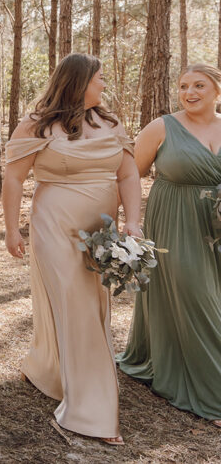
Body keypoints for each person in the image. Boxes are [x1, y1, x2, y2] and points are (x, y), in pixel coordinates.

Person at [3, 53, 140, 445]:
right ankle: (90, 413)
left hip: (102, 230)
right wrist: (13, 229)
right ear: (78, 82)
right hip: (55, 227)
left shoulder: (111, 123)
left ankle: (48, 369)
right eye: (99, 78)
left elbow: (128, 172)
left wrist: (132, 222)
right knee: (75, 306)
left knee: (93, 307)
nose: (103, 85)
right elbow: (13, 179)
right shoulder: (38, 124)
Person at [118, 63, 221, 429]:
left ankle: (164, 354)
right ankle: (214, 396)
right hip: (175, 223)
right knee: (198, 297)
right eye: (183, 86)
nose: (190, 92)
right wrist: (127, 222)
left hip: (218, 227)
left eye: (199, 85)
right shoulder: (161, 127)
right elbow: (130, 173)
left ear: (216, 90)